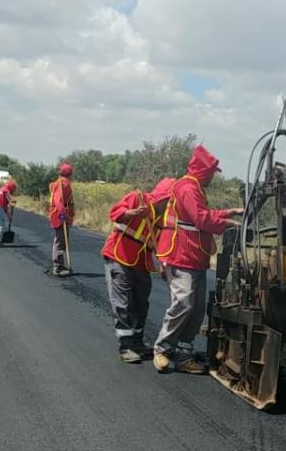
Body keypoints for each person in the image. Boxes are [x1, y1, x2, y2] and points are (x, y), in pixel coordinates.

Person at [152, 145, 242, 374]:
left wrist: (228, 212)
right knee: (184, 303)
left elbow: (204, 215)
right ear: (203, 170)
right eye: (212, 171)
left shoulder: (196, 188)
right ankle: (162, 348)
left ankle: (184, 355)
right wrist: (228, 223)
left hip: (194, 257)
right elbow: (202, 219)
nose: (213, 175)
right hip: (181, 255)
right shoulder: (187, 188)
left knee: (197, 308)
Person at [102, 187, 158, 363]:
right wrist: (132, 212)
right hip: (120, 256)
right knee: (123, 302)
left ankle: (137, 343)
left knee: (141, 303)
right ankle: (125, 346)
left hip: (141, 262)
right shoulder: (137, 198)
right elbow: (115, 214)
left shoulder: (163, 214)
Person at [49, 163, 75, 277]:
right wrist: (62, 212)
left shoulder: (63, 183)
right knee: (59, 241)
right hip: (60, 216)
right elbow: (58, 200)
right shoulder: (62, 184)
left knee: (63, 240)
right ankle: (57, 267)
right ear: (70, 174)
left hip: (61, 215)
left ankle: (61, 264)